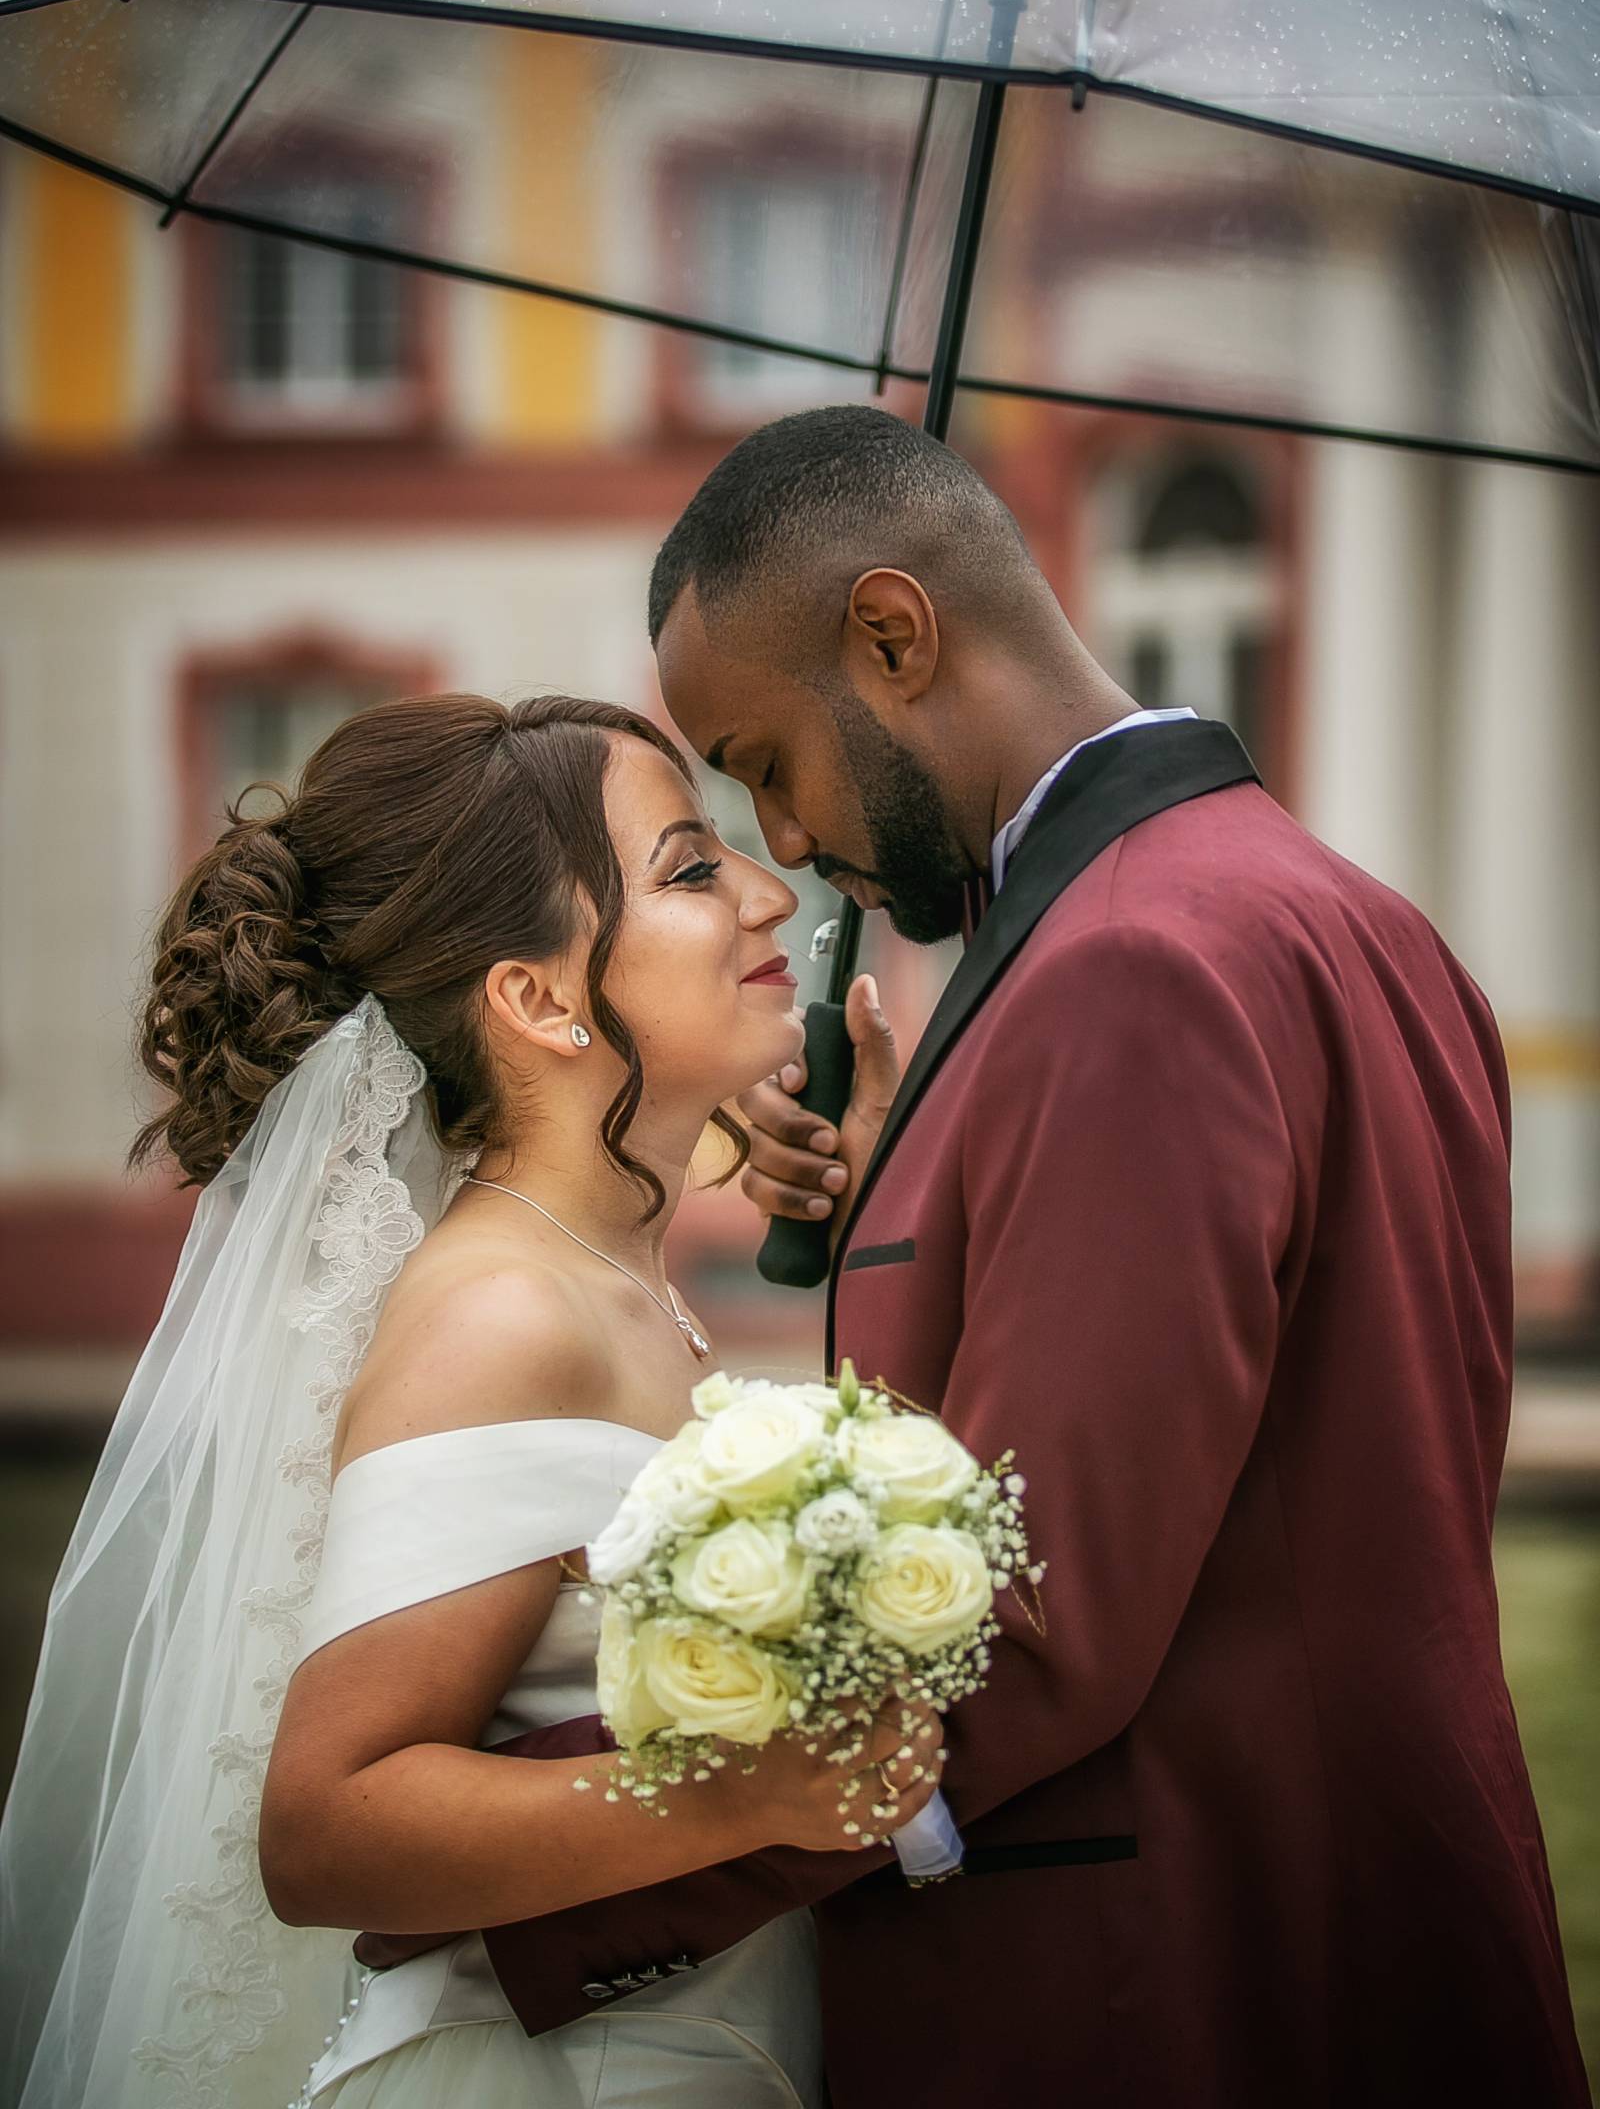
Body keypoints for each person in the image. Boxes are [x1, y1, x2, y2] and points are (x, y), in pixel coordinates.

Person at [405, 407, 1588, 2108]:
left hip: (1182, 1982)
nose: (786, 846)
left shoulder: (1127, 969)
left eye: (764, 763)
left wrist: (520, 1855)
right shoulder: (1349, 917)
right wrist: (920, 1186)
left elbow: (1026, 1619)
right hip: (1372, 1905)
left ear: (892, 636)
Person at [0, 689, 942, 2109]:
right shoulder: (502, 1312)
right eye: (691, 869)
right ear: (539, 999)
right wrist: (750, 1794)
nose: (767, 894)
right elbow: (328, 1830)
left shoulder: (611, 1287)